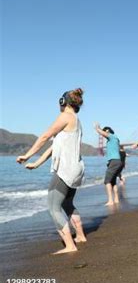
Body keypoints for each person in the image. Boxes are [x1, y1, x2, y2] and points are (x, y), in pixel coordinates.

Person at [16, 88, 86, 254]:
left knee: (53, 207)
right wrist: (36, 163)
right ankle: (80, 236)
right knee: (67, 203)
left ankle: (70, 245)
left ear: (63, 102)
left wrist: (27, 154)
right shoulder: (76, 120)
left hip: (66, 169)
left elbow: (44, 136)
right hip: (77, 168)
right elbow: (54, 147)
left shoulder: (65, 116)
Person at [95, 124, 122, 205]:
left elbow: (102, 133)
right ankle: (116, 199)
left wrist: (97, 128)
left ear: (109, 132)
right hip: (117, 161)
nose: (105, 134)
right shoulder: (115, 139)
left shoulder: (112, 136)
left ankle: (110, 201)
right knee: (113, 182)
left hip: (114, 161)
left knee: (107, 181)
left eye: (106, 132)